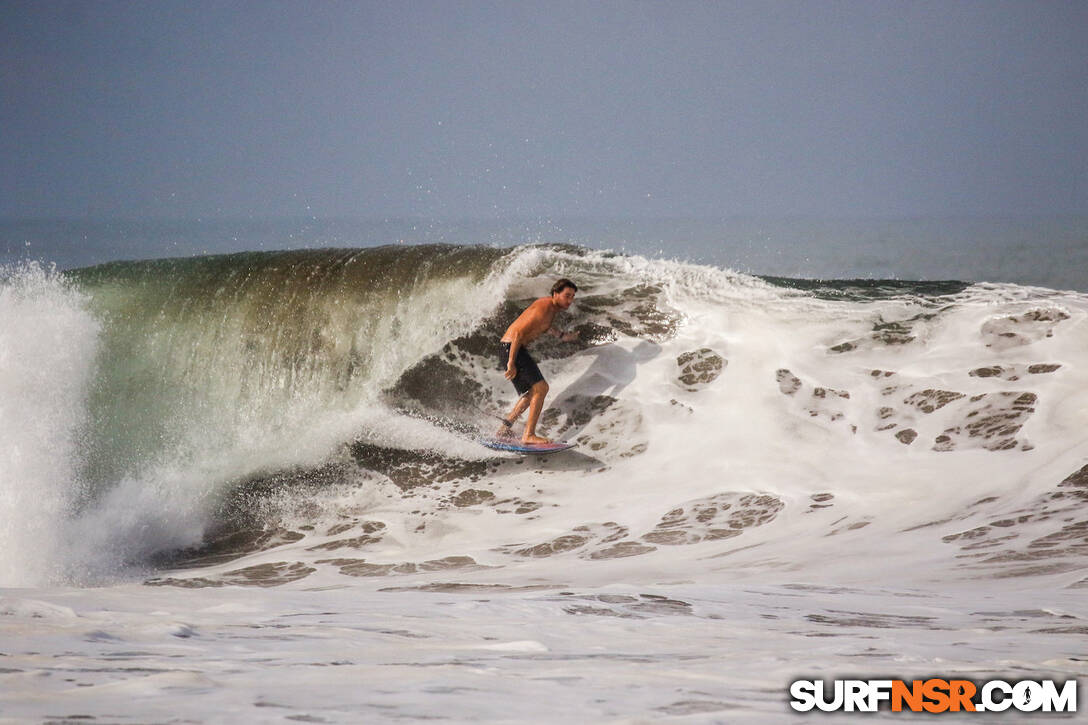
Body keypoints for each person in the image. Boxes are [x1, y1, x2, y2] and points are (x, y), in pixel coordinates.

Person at [497, 278, 579, 443]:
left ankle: (504, 429)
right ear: (555, 293)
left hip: (512, 348)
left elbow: (545, 327)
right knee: (541, 388)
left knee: (533, 393)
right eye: (567, 296)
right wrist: (511, 362)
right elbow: (519, 333)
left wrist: (563, 336)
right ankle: (528, 435)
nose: (570, 301)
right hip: (512, 347)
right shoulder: (544, 306)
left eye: (572, 297)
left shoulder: (551, 310)